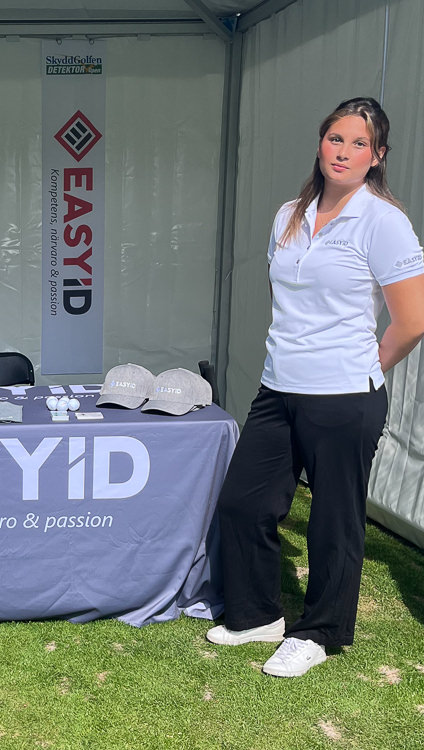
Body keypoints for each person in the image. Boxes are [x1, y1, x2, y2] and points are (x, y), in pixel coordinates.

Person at [206, 97, 424, 677]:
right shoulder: (289, 214)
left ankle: (321, 631)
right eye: (336, 138)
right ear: (320, 143)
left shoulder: (383, 221)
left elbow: (413, 320)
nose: (344, 152)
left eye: (360, 144)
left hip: (346, 395)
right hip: (279, 387)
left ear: (378, 156)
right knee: (244, 502)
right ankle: (257, 615)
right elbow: (283, 297)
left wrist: (364, 368)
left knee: (334, 520)